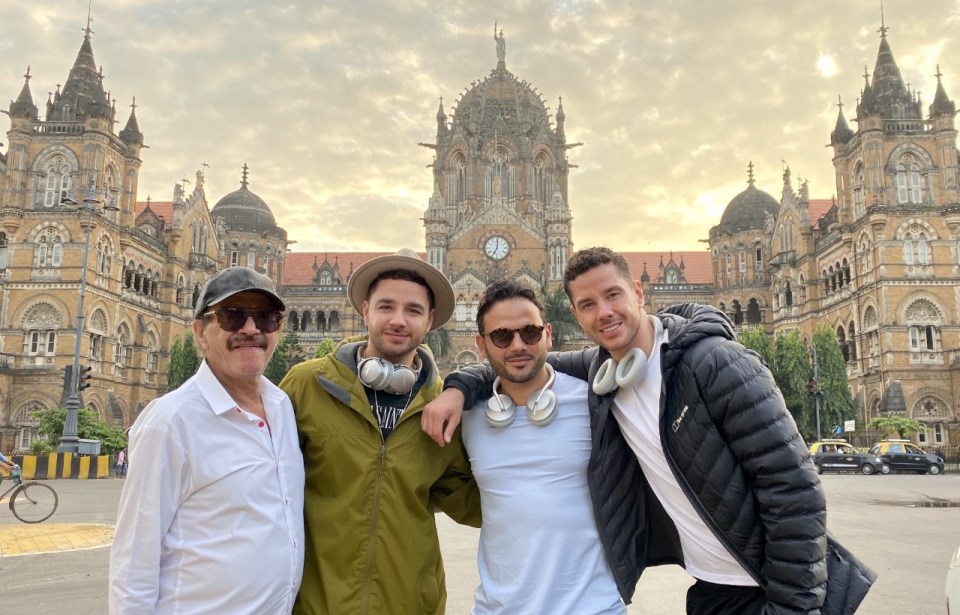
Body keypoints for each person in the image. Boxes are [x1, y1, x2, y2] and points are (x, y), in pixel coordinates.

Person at [423, 246, 876, 614]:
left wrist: (795, 608)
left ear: (639, 292)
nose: (603, 312)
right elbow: (516, 368)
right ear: (575, 319)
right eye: (587, 305)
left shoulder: (714, 362)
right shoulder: (603, 374)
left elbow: (794, 490)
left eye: (613, 295)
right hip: (711, 588)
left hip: (769, 586)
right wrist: (458, 388)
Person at [279, 248, 480, 615]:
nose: (398, 320)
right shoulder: (308, 384)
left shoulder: (443, 405)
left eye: (413, 310)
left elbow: (472, 505)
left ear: (431, 320)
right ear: (365, 310)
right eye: (387, 306)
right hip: (316, 605)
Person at [109, 267, 304, 614]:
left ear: (278, 330)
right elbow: (133, 562)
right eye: (232, 316)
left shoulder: (283, 407)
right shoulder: (170, 422)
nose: (250, 329)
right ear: (200, 332)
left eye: (266, 317)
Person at [462, 278, 624, 614]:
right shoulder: (465, 416)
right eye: (501, 336)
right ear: (481, 345)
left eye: (530, 332)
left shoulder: (597, 403)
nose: (518, 345)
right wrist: (456, 387)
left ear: (548, 334)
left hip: (593, 607)